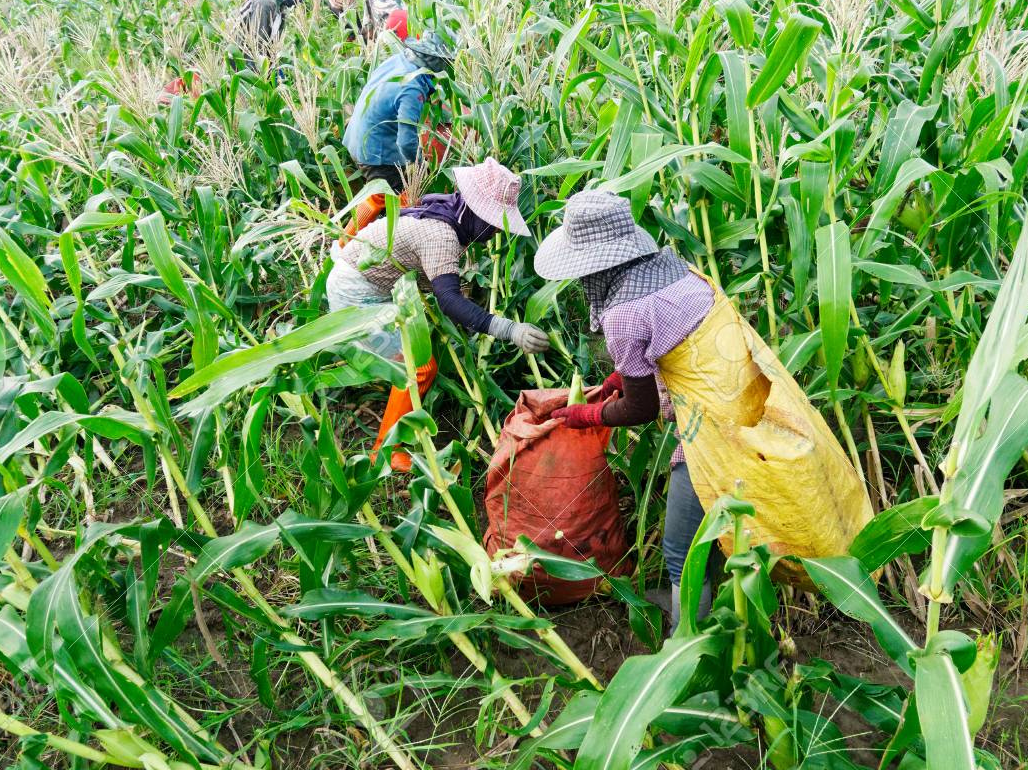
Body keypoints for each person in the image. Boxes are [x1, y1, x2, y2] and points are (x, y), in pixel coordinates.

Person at [534, 191, 871, 621]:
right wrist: (620, 375)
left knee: (681, 546)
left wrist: (586, 415)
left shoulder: (623, 314)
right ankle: (695, 607)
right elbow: (672, 342)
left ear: (593, 264)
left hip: (717, 433)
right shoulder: (676, 271)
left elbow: (639, 409)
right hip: (754, 405)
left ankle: (683, 639)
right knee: (705, 534)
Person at [329, 158, 550, 471]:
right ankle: (387, 450)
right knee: (419, 368)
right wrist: (511, 331)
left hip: (361, 280)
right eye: (493, 224)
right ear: (477, 215)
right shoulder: (442, 236)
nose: (493, 234)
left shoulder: (443, 207)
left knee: (411, 355)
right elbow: (449, 301)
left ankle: (389, 398)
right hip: (356, 294)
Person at [342, 32, 452, 195]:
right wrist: (422, 169)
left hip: (355, 138)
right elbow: (406, 142)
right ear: (435, 62)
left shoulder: (398, 61)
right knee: (395, 203)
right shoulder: (412, 87)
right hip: (376, 155)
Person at [237, 0, 318, 67]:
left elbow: (271, 45)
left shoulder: (279, 6)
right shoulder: (265, 4)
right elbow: (256, 48)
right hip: (242, 63)